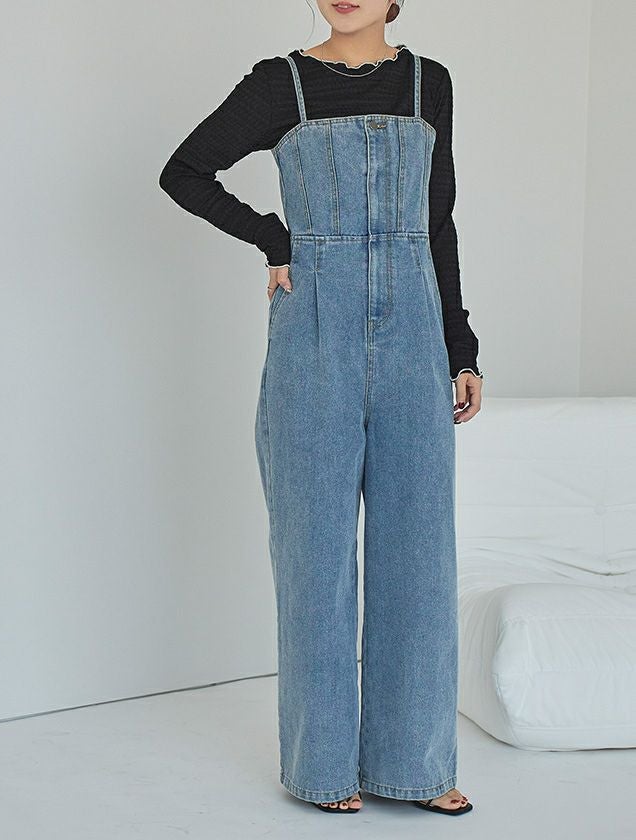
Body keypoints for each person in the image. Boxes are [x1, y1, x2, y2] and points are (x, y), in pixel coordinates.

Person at [159, 0, 481, 817]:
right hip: (313, 335)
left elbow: (437, 221)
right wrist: (274, 238)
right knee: (315, 557)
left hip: (415, 337)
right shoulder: (281, 84)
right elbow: (185, 171)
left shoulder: (429, 84)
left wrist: (461, 346)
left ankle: (415, 766)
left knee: (419, 556)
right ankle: (322, 770)